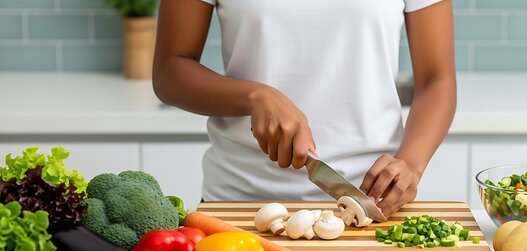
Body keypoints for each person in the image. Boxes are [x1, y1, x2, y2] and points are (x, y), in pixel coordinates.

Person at [152, 0, 457, 218]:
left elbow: (437, 79)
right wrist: (255, 96)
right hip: (240, 206)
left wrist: (411, 165)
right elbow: (169, 71)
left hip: (370, 206)